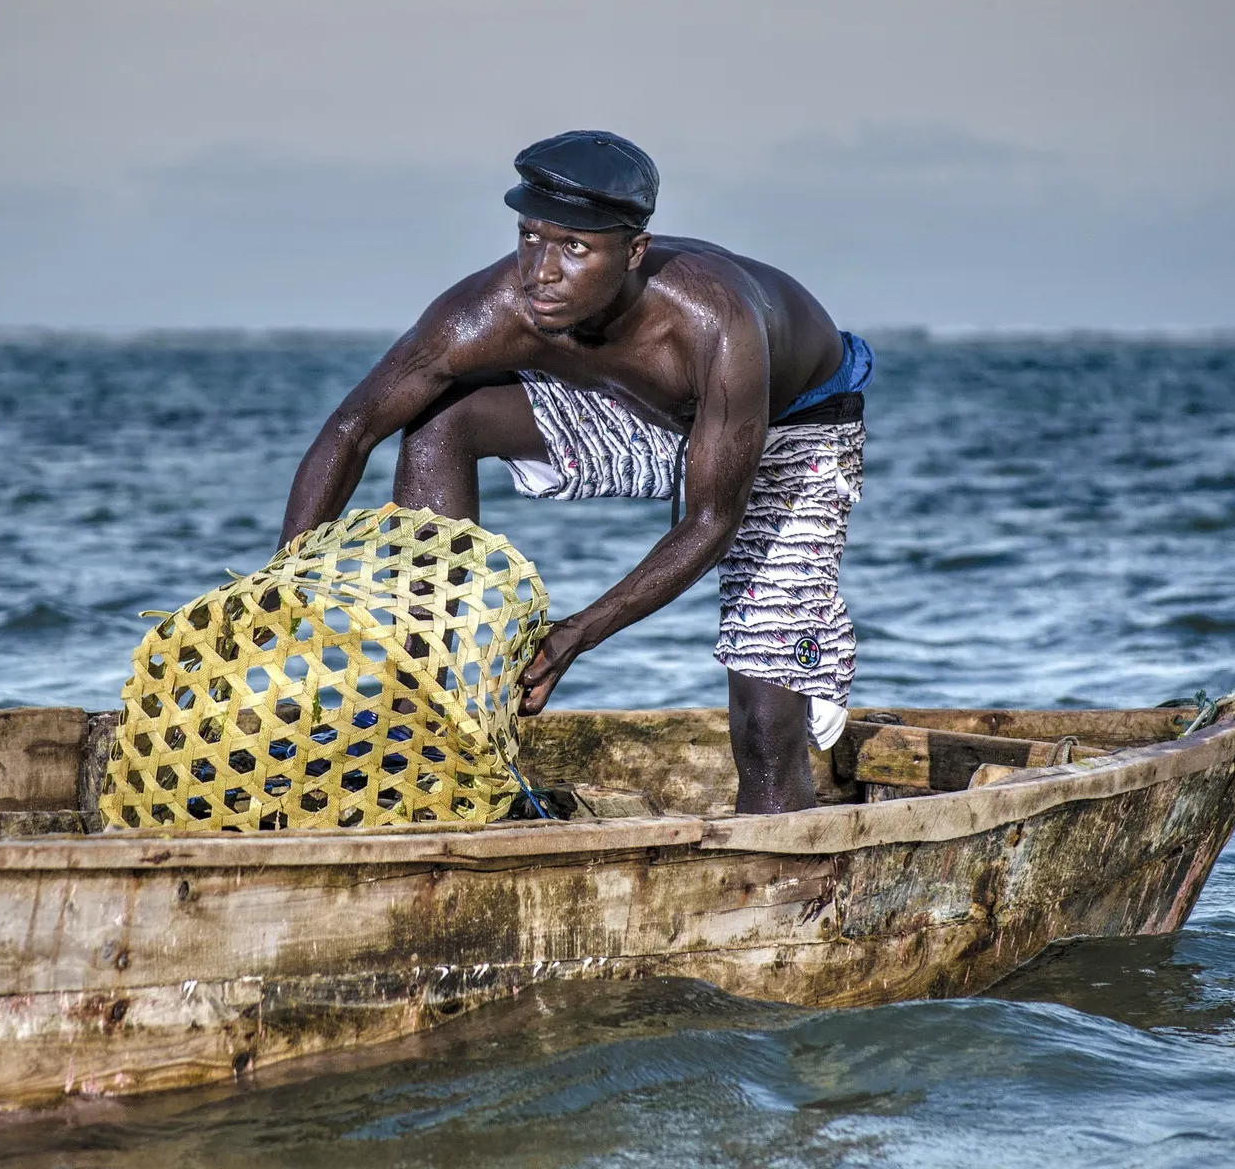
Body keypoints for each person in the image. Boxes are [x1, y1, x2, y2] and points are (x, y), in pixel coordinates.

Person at [279, 130, 872, 813]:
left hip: (793, 429)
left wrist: (574, 636)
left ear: (633, 253)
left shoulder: (718, 323)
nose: (541, 271)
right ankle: (435, 689)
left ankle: (809, 656)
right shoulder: (491, 310)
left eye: (575, 248)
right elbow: (354, 428)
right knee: (443, 421)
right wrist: (283, 579)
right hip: (648, 413)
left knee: (766, 732)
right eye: (530, 237)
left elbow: (712, 521)